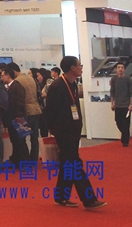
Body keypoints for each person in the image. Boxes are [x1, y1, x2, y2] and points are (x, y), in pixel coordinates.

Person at [45, 56, 106, 209]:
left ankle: (61, 196)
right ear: (72, 68)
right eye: (79, 65)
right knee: (74, 164)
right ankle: (89, 199)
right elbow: (50, 111)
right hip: (63, 131)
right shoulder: (57, 86)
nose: (81, 67)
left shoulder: (72, 84)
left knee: (67, 163)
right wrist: (54, 130)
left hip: (73, 130)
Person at [12, 62, 42, 161]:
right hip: (36, 110)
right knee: (34, 137)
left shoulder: (17, 81)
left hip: (25, 112)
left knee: (21, 137)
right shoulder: (31, 78)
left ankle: (25, 159)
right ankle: (34, 158)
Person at [1, 66, 30, 163]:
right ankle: (17, 160)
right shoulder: (9, 87)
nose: (1, 78)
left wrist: (19, 115)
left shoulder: (17, 86)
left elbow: (20, 102)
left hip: (18, 118)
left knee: (21, 141)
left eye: (2, 76)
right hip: (11, 118)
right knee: (14, 140)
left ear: (8, 75)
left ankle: (26, 162)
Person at [109, 62, 132, 147]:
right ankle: (126, 135)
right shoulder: (114, 79)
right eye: (118, 67)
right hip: (117, 105)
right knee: (118, 121)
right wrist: (112, 103)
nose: (120, 69)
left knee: (126, 123)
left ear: (124, 69)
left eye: (122, 67)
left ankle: (125, 141)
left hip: (126, 105)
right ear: (116, 69)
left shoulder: (128, 79)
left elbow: (131, 93)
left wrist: (131, 104)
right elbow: (112, 92)